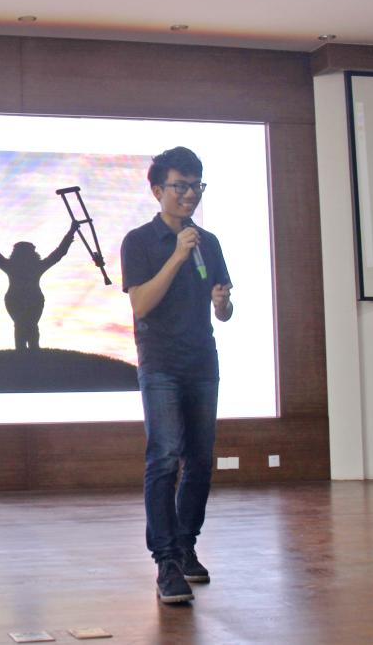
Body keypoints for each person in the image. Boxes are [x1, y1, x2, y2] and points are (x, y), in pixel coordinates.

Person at [120, 146, 233, 605]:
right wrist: (177, 257)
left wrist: (222, 304)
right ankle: (166, 561)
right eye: (180, 186)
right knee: (164, 458)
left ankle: (186, 546)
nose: (190, 195)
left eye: (196, 186)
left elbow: (223, 311)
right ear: (157, 190)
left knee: (200, 460)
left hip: (202, 361)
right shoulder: (139, 241)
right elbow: (141, 304)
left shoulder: (209, 241)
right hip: (161, 362)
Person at [0, 214, 78, 351]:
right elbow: (59, 253)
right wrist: (71, 231)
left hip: (19, 299)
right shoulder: (35, 266)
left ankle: (25, 352)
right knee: (28, 325)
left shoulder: (12, 266)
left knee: (23, 325)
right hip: (28, 298)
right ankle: (30, 351)